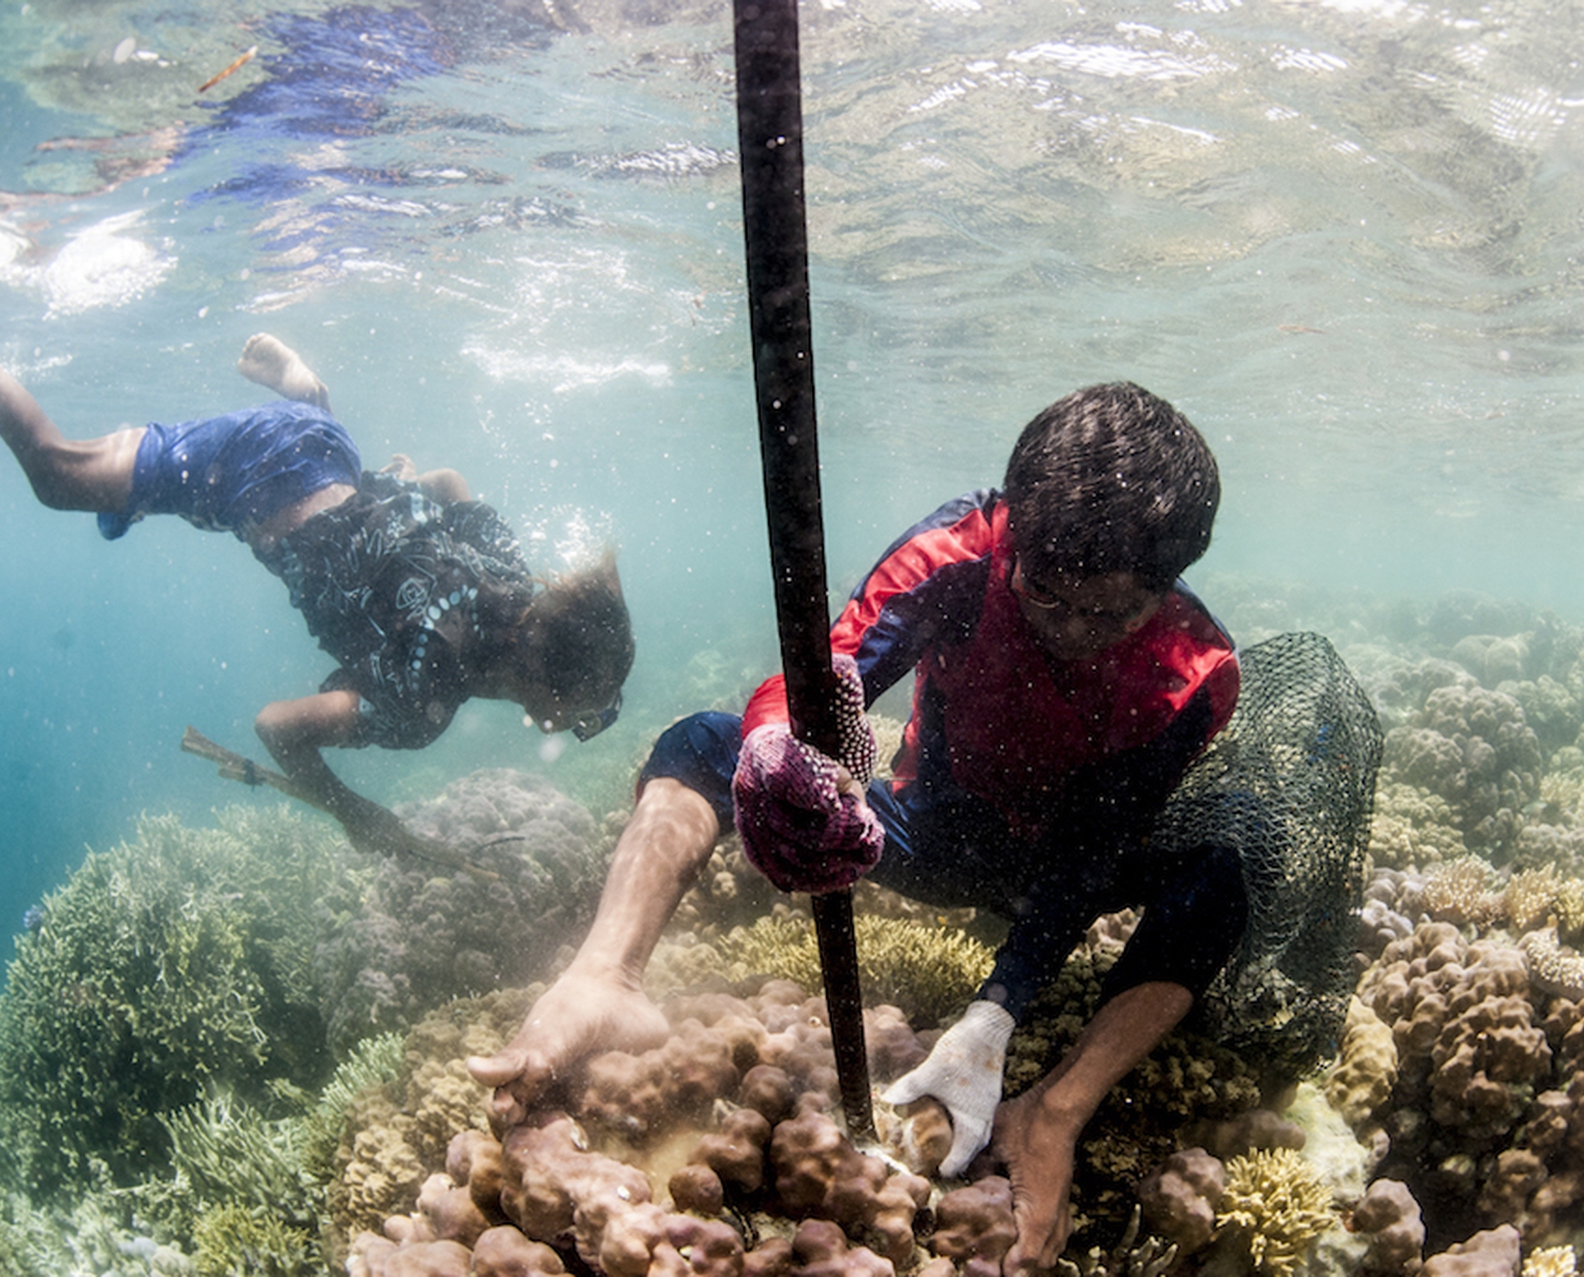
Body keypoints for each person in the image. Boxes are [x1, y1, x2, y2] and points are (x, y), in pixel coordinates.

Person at [469, 381, 1244, 1273]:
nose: (1069, 629)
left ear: (1166, 585)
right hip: (915, 830)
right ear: (1015, 535)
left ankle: (1054, 1113)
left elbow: (1090, 852)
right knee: (701, 742)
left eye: (1108, 611)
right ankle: (606, 976)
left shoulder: (1194, 672)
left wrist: (994, 1017)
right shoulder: (962, 552)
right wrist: (774, 749)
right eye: (1044, 593)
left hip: (1052, 864)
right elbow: (824, 673)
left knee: (1219, 879)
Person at [0, 313, 634, 858]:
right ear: (549, 690)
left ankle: (308, 395)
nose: (578, 725)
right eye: (586, 713)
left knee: (297, 458)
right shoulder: (425, 696)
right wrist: (354, 813)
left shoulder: (511, 576)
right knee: (61, 477)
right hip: (248, 473)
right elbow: (276, 727)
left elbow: (448, 483)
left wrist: (395, 502)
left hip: (327, 451)